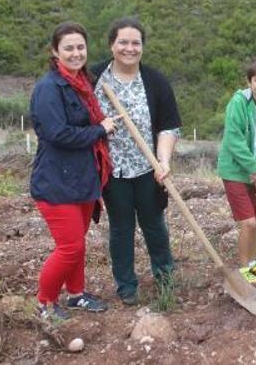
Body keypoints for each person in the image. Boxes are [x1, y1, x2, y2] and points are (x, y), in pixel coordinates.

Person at [92, 18, 181, 306]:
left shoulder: (155, 81)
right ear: (111, 45)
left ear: (142, 47)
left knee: (155, 223)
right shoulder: (94, 79)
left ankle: (165, 277)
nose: (129, 48)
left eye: (136, 43)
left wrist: (163, 161)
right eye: (123, 42)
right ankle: (126, 285)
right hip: (112, 170)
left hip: (148, 168)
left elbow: (169, 126)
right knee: (121, 228)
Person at [30, 22, 115, 320]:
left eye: (80, 47)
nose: (76, 53)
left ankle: (76, 295)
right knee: (69, 247)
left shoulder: (81, 84)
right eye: (69, 48)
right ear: (55, 51)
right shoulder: (48, 88)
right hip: (56, 181)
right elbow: (57, 134)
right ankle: (45, 303)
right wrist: (99, 130)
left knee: (77, 245)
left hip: (81, 178)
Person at [217, 58, 256, 283]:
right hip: (234, 170)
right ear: (249, 81)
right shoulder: (239, 102)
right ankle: (245, 270)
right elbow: (233, 139)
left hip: (255, 173)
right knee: (249, 222)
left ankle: (254, 263)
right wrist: (252, 166)